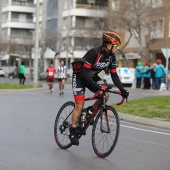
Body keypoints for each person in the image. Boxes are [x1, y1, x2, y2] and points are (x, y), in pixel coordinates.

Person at [69, 31, 129, 146]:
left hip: (93, 76)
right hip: (81, 76)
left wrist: (122, 89)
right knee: (79, 105)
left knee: (105, 94)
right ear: (108, 45)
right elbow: (85, 72)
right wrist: (94, 86)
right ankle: (73, 131)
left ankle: (91, 111)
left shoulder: (112, 57)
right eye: (116, 46)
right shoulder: (94, 53)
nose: (117, 49)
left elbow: (114, 75)